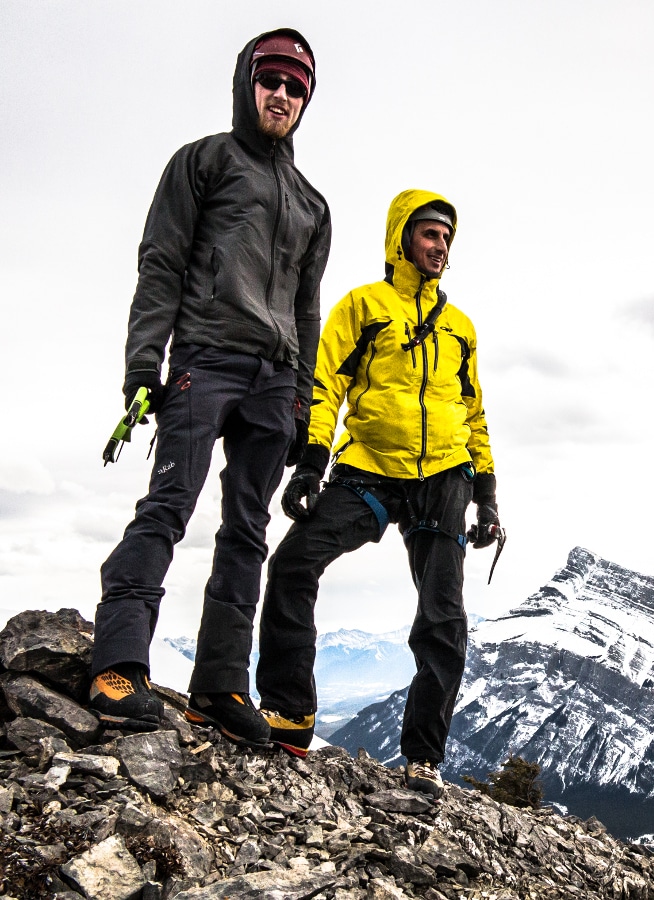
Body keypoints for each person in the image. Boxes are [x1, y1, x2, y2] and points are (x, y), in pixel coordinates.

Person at [88, 29, 332, 749]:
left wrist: (301, 403)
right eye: (271, 80)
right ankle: (118, 664)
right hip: (206, 357)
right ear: (245, 84)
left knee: (248, 534)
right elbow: (160, 263)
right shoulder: (203, 162)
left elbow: (309, 309)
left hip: (274, 378)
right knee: (168, 506)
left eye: (295, 87)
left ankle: (220, 685)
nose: (282, 95)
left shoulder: (314, 205)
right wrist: (143, 367)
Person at [254, 189, 500, 798]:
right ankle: (289, 711)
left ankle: (422, 758)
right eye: (429, 234)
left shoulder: (459, 327)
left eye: (447, 237)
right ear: (401, 239)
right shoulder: (363, 307)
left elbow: (474, 413)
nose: (440, 246)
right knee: (292, 564)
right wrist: (312, 462)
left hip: (444, 478)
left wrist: (487, 495)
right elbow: (323, 383)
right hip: (368, 471)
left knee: (443, 620)